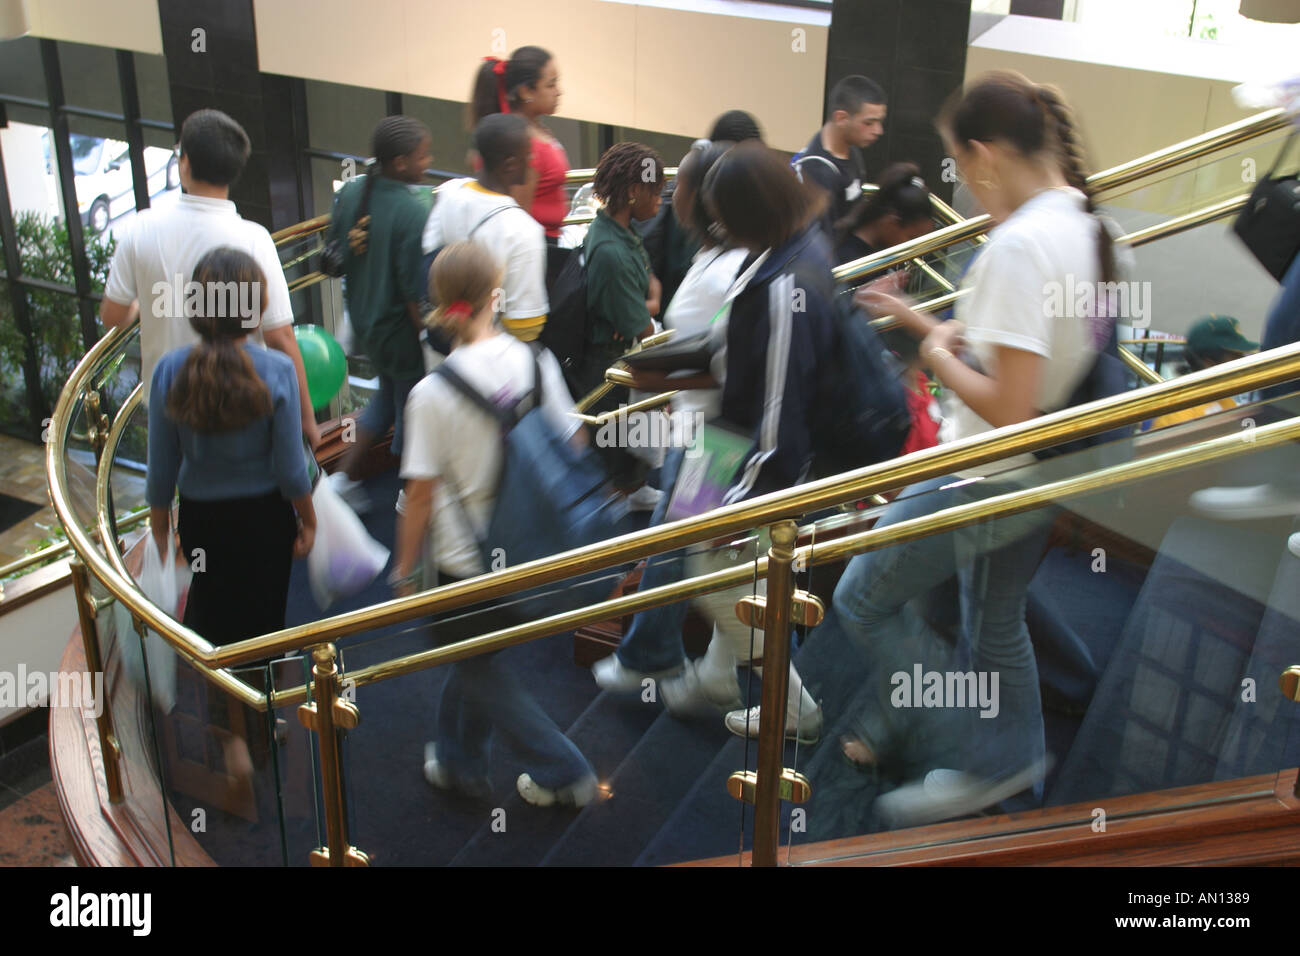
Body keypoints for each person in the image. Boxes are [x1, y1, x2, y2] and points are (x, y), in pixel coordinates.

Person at [811, 71, 1117, 821]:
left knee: (863, 598)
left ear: (981, 155)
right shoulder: (1091, 227)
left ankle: (979, 756)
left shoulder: (1020, 247)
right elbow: (1038, 369)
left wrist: (936, 357)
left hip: (981, 474)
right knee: (993, 616)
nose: (970, 192)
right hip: (1041, 472)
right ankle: (1008, 759)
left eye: (963, 169)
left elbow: (1009, 407)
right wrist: (936, 329)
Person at [390, 241, 597, 807]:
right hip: (532, 547)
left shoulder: (429, 395)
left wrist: (403, 571)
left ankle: (565, 771)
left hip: (466, 564)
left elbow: (420, 496)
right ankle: (458, 758)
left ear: (438, 303)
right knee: (474, 653)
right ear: (496, 296)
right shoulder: (536, 360)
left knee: (477, 665)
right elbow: (574, 440)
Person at [639, 142, 831, 742]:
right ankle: (720, 675)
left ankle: (791, 702)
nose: (717, 226)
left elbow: (779, 416)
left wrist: (738, 504)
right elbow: (733, 343)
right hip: (721, 437)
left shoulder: (782, 282)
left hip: (736, 449)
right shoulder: (790, 248)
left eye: (725, 216)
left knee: (710, 561)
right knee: (714, 566)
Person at [592, 140, 750, 700]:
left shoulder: (725, 267)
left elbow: (727, 366)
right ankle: (700, 664)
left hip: (716, 439)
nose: (668, 191)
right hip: (701, 431)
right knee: (685, 546)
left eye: (677, 182)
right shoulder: (713, 257)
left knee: (679, 545)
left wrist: (659, 379)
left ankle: (652, 657)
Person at [100, 108, 319, 450]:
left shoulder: (140, 228)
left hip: (168, 404)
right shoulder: (253, 238)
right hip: (241, 400)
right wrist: (306, 419)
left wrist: (144, 306)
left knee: (182, 494)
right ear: (234, 171)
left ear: (184, 163)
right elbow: (281, 337)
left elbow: (112, 317)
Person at [146, 246, 314, 646]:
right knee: (264, 619)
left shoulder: (169, 369)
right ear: (255, 308)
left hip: (201, 521)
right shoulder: (278, 369)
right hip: (264, 521)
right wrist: (309, 520)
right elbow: (291, 469)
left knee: (211, 615)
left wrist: (160, 535)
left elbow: (161, 468)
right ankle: (261, 700)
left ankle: (224, 700)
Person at [329, 115, 433, 482]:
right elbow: (412, 292)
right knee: (410, 415)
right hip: (399, 336)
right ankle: (407, 494)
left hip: (366, 325)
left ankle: (340, 481)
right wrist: (428, 338)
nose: (428, 163)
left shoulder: (351, 193)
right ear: (401, 162)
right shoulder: (411, 213)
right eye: (423, 156)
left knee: (385, 401)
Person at [578, 141, 665, 505]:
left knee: (626, 440)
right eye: (655, 193)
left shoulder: (620, 231)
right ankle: (617, 506)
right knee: (615, 444)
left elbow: (649, 282)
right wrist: (652, 303)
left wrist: (647, 300)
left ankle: (632, 487)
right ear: (633, 192)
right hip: (609, 369)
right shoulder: (611, 252)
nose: (660, 202)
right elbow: (643, 326)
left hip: (619, 352)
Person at [422, 113, 547, 342]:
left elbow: (430, 256)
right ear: (510, 164)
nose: (532, 160)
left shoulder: (449, 193)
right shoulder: (524, 231)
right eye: (528, 154)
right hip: (495, 361)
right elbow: (525, 327)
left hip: (448, 348)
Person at [471, 47, 569, 242]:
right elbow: (518, 219)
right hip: (538, 248)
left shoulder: (534, 131)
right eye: (550, 85)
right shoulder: (522, 144)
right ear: (525, 92)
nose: (559, 92)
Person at [793, 75, 887, 230]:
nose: (878, 131)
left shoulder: (852, 148)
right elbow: (824, 242)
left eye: (880, 122)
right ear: (841, 118)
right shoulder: (818, 172)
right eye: (869, 123)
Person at [1146, 315, 1257, 430]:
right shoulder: (1179, 415)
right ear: (1209, 363)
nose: (1243, 365)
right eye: (1235, 358)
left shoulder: (1223, 399)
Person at [833, 161, 933, 266]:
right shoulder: (846, 256)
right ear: (891, 222)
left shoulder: (879, 252)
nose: (912, 248)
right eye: (911, 237)